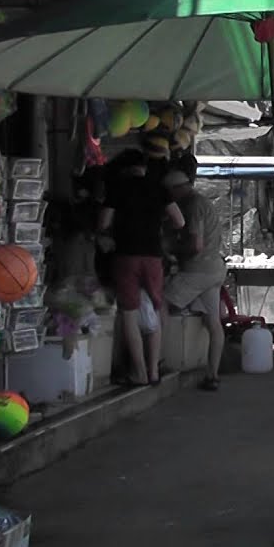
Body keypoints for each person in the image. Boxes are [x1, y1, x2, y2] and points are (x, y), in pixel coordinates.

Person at [99, 150, 185, 386]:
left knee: (129, 312)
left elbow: (104, 222)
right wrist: (156, 220)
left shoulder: (118, 188)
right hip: (153, 256)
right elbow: (180, 221)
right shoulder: (159, 188)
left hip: (126, 255)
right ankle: (154, 370)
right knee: (156, 309)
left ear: (125, 169)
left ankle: (139, 372)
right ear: (144, 167)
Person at [161, 171, 228, 392]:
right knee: (213, 323)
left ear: (175, 190)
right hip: (214, 269)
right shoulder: (203, 202)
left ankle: (157, 360)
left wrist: (171, 250)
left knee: (159, 302)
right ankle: (213, 374)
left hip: (197, 270)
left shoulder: (192, 205)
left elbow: (195, 244)